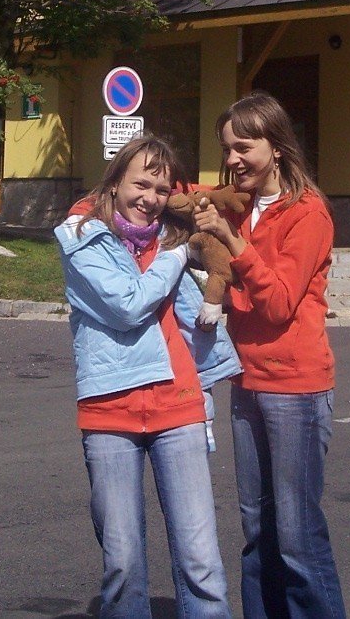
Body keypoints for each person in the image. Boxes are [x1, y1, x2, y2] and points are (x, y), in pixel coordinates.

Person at [56, 136, 236, 619]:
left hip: (179, 407)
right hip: (110, 415)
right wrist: (179, 255)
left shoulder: (169, 232)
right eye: (140, 183)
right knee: (123, 564)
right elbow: (128, 305)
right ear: (114, 183)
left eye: (160, 188)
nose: (150, 197)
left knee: (201, 564)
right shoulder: (80, 237)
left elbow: (229, 232)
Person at [193, 93, 345, 619]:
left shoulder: (308, 213)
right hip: (248, 383)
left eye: (244, 147)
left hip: (297, 391)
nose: (233, 159)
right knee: (257, 530)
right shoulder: (237, 206)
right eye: (226, 148)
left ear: (276, 148)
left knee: (297, 535)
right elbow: (160, 194)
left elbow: (279, 303)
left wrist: (233, 245)